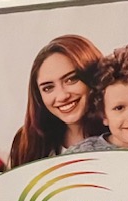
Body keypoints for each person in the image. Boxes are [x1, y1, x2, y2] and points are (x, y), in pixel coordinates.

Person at [9, 34, 106, 167]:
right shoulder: (27, 142)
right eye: (48, 88)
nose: (61, 96)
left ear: (94, 76)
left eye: (71, 79)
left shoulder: (123, 133)